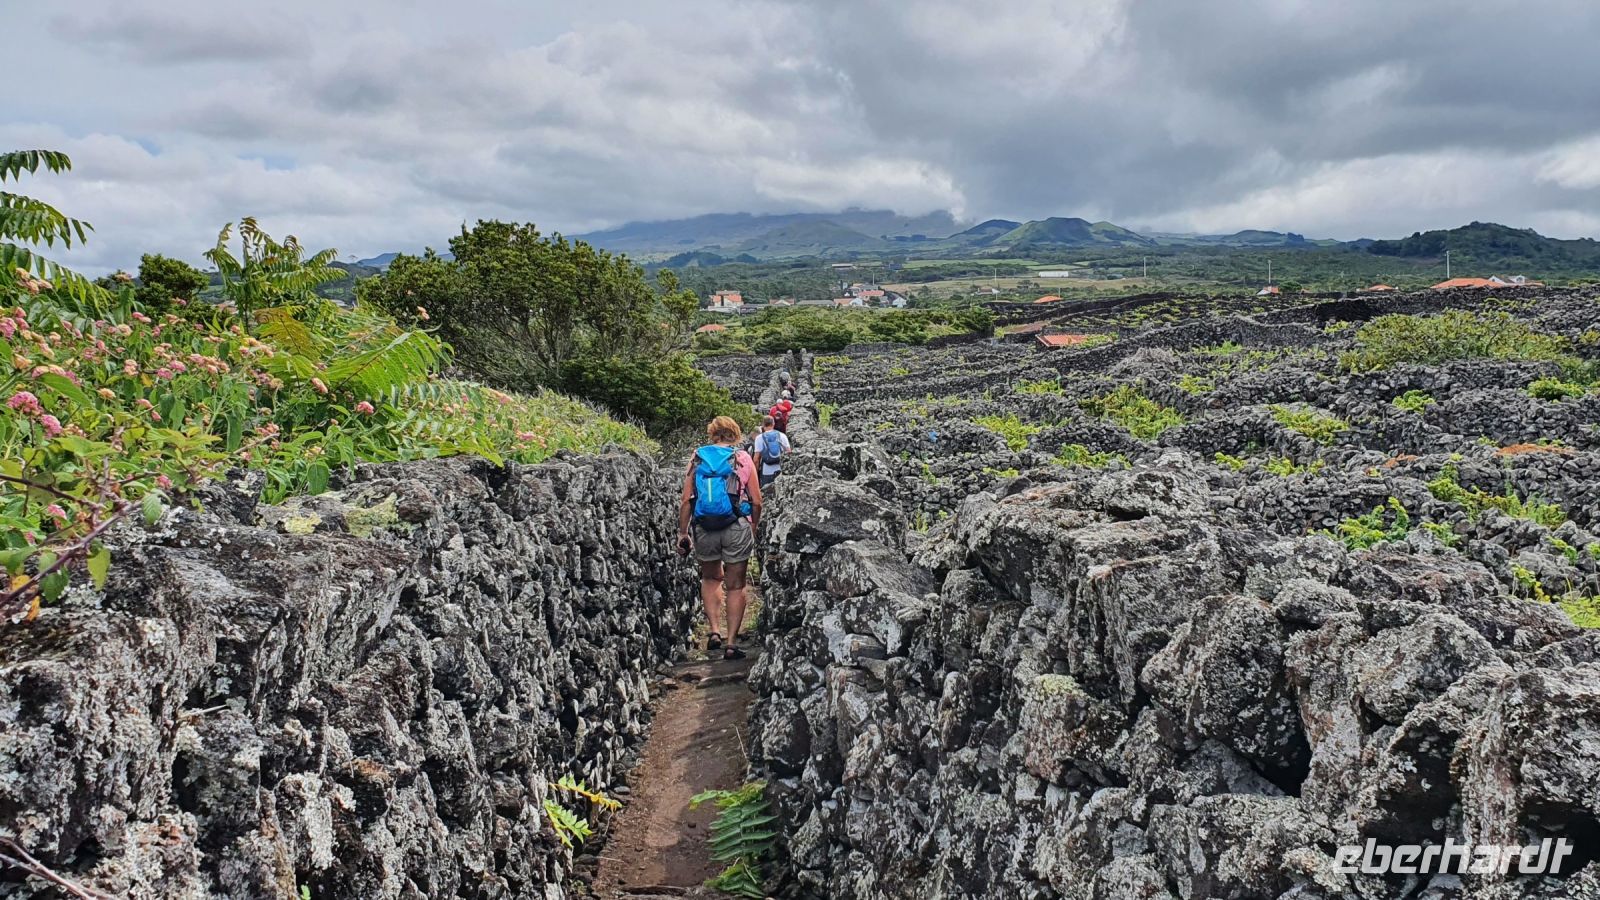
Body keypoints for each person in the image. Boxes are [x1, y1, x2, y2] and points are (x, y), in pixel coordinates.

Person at [677, 415, 763, 660]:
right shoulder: (742, 458)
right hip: (736, 525)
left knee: (711, 578)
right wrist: (753, 526)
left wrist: (683, 532)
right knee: (736, 585)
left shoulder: (698, 458)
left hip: (704, 526)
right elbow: (756, 501)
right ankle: (732, 643)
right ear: (735, 434)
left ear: (711, 434)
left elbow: (686, 500)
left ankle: (714, 631)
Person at [751, 415, 791, 488]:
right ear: (773, 424)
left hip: (767, 471)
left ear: (763, 425)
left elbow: (756, 459)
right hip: (781, 469)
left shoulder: (759, 438)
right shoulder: (782, 436)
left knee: (766, 494)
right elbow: (789, 452)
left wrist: (755, 474)